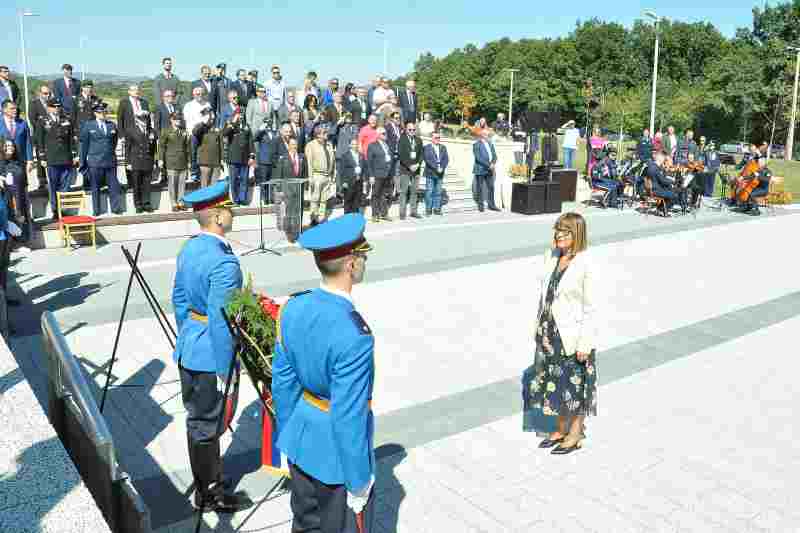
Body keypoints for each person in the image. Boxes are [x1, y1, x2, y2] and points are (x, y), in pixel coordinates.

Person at [272, 213, 376, 533]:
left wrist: (292, 435)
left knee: (305, 526)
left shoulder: (293, 307)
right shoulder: (355, 335)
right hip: (335, 460)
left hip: (300, 440)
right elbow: (348, 414)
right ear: (351, 264)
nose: (362, 263)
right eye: (362, 256)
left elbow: (283, 383)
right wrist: (358, 481)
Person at [172, 180, 253, 514]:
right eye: (228, 209)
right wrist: (224, 369)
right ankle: (210, 494)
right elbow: (222, 320)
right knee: (206, 425)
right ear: (218, 216)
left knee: (197, 420)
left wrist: (188, 333)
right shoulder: (224, 263)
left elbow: (178, 298)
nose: (232, 213)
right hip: (209, 356)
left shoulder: (189, 248)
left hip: (190, 345)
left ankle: (207, 483)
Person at [525, 212, 597, 455]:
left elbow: (591, 308)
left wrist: (584, 343)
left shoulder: (586, 263)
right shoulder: (552, 255)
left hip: (571, 335)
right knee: (553, 384)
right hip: (548, 331)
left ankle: (575, 434)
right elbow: (545, 291)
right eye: (557, 230)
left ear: (576, 235)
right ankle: (561, 427)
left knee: (573, 388)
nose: (558, 235)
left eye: (564, 231)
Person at [36, 98, 78, 219]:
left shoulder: (67, 119)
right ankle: (55, 210)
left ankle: (63, 208)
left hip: (66, 158)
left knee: (65, 186)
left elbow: (71, 139)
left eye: (58, 106)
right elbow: (39, 141)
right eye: (54, 107)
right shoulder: (42, 121)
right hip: (52, 158)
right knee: (53, 185)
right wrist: (42, 157)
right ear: (48, 108)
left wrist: (75, 155)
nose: (57, 109)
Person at [79, 102, 123, 216]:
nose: (103, 114)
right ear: (95, 113)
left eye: (104, 112)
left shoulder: (112, 125)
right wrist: (82, 162)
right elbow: (84, 145)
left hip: (110, 161)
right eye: (100, 112)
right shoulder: (88, 126)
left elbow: (113, 142)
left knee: (113, 187)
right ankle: (96, 210)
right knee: (95, 188)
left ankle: (116, 208)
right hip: (95, 162)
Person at [0, 100, 34, 229]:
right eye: (12, 109)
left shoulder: (22, 123)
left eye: (15, 108)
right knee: (7, 198)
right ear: (4, 110)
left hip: (19, 165)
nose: (15, 111)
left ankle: (24, 226)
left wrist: (30, 160)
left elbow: (28, 143)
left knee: (21, 196)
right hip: (3, 165)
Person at [271, 137, 304, 242]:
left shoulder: (301, 157)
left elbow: (304, 173)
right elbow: (278, 175)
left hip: (299, 189)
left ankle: (298, 232)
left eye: (295, 144)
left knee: (298, 212)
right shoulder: (283, 158)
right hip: (287, 189)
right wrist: (280, 189)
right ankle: (289, 234)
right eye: (292, 144)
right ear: (288, 146)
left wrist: (306, 186)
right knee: (289, 213)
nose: (294, 146)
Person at [125, 110, 157, 213]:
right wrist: (128, 162)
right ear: (137, 120)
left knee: (147, 184)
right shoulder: (131, 130)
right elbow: (127, 148)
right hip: (136, 161)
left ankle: (146, 203)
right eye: (141, 119)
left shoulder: (151, 131)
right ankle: (138, 204)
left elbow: (154, 148)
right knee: (137, 184)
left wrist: (155, 161)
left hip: (148, 160)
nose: (144, 121)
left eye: (146, 119)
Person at [158, 112, 191, 211]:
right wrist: (160, 159)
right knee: (172, 184)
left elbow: (187, 148)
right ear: (171, 120)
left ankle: (180, 202)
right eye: (176, 119)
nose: (178, 121)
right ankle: (173, 203)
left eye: (179, 119)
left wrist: (189, 161)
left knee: (182, 183)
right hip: (171, 160)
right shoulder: (166, 131)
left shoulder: (184, 131)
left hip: (183, 161)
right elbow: (161, 146)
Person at [222, 107, 255, 206]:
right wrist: (232, 122)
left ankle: (242, 199)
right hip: (233, 158)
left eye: (242, 114)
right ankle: (235, 200)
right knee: (234, 180)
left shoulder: (246, 126)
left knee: (244, 180)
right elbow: (224, 134)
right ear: (235, 114)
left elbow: (250, 142)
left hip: (245, 158)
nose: (240, 116)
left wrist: (252, 156)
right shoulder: (230, 125)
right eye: (238, 114)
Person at [305, 125, 336, 225]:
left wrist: (333, 174)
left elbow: (333, 160)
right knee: (315, 198)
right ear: (318, 134)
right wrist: (310, 177)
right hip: (317, 175)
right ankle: (314, 218)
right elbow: (309, 162)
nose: (327, 134)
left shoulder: (329, 145)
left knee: (324, 199)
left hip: (327, 175)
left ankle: (321, 218)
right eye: (325, 133)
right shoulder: (311, 145)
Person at [396, 121, 423, 219]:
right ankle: (402, 213)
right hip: (405, 170)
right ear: (406, 130)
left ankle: (413, 211)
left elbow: (421, 154)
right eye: (410, 129)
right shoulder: (402, 140)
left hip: (416, 170)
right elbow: (401, 154)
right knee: (404, 191)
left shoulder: (419, 140)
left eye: (413, 129)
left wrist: (418, 164)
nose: (412, 131)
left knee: (414, 191)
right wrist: (409, 165)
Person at [29, 85, 53, 192]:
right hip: (39, 136)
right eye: (44, 93)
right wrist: (43, 127)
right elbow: (33, 120)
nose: (47, 95)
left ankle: (53, 180)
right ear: (40, 93)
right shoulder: (34, 104)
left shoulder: (52, 103)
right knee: (41, 159)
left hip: (52, 136)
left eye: (48, 93)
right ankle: (42, 182)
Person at [367, 127, 393, 222]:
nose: (385, 135)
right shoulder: (372, 145)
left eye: (385, 133)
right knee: (375, 194)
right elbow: (369, 162)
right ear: (378, 135)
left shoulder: (387, 145)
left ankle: (384, 214)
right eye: (383, 133)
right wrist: (371, 175)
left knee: (384, 195)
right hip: (377, 174)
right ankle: (374, 214)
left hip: (387, 174)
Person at [194, 110, 224, 188]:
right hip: (205, 162)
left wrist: (222, 159)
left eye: (212, 117)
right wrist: (203, 122)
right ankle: (204, 200)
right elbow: (195, 132)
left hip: (216, 162)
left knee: (214, 187)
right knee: (205, 186)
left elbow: (221, 144)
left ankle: (213, 200)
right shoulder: (201, 127)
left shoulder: (216, 128)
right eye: (209, 117)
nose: (211, 119)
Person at [472, 128, 499, 212]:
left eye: (488, 135)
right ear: (482, 135)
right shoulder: (476, 144)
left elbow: (494, 155)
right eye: (487, 135)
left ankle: (492, 205)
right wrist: (489, 165)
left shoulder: (490, 144)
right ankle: (481, 206)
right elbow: (478, 158)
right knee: (479, 188)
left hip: (489, 169)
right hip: (480, 169)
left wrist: (493, 163)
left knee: (491, 187)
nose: (488, 136)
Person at [423, 132, 449, 216]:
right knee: (429, 191)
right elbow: (427, 159)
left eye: (439, 137)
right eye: (436, 137)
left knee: (438, 191)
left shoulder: (443, 147)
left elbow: (446, 159)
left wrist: (442, 167)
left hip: (440, 173)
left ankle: (437, 209)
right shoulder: (427, 147)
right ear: (432, 138)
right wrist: (436, 167)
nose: (438, 139)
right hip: (430, 172)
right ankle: (428, 209)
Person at [338, 137, 365, 214]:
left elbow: (364, 168)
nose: (355, 146)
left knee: (357, 201)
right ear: (350, 145)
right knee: (348, 201)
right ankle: (347, 219)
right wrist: (343, 182)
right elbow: (341, 170)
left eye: (356, 144)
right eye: (353, 144)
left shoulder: (361, 155)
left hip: (358, 181)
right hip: (349, 182)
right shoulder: (345, 156)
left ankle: (354, 219)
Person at [254, 118, 278, 203]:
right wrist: (261, 129)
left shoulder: (274, 133)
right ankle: (263, 198)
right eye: (267, 123)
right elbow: (255, 137)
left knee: (271, 182)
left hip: (272, 161)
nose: (269, 124)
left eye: (270, 122)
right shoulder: (262, 133)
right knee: (263, 181)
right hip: (264, 161)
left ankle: (270, 198)